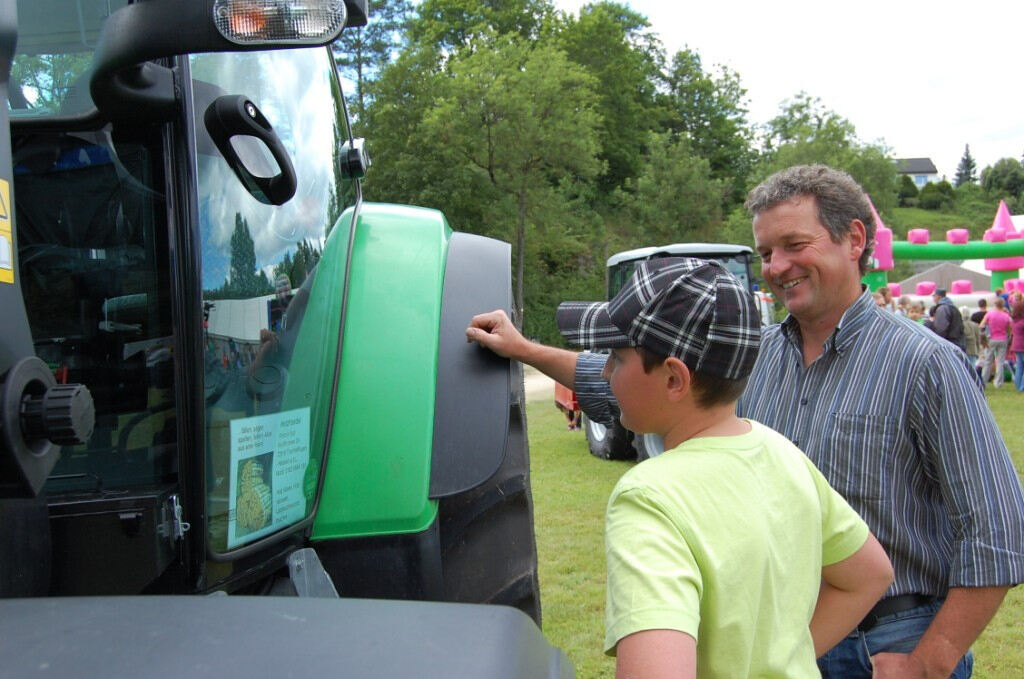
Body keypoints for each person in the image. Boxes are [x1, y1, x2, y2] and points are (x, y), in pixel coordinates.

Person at [551, 165, 1024, 677]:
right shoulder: (756, 356)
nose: (777, 266)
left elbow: (997, 527)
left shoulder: (925, 363)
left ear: (854, 239)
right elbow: (643, 380)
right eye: (766, 253)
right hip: (785, 634)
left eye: (794, 244)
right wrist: (524, 351)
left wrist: (930, 661)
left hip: (887, 643)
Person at [466, 257, 894, 678]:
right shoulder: (784, 455)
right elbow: (869, 575)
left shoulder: (651, 498)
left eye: (616, 356)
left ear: (674, 379)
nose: (607, 371)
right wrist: (785, 659)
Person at [980, 296, 1012, 388]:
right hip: (1003, 339)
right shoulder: (1006, 316)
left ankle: (984, 381)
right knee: (1000, 361)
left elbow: (982, 325)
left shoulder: (989, 314)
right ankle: (998, 383)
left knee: (988, 361)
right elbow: (1009, 329)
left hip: (991, 339)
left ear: (995, 305)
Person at [1010, 292, 1024, 391]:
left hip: (1016, 345)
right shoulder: (1022, 322)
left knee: (1019, 366)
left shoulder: (1014, 321)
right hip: (1022, 345)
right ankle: (1022, 387)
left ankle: (1018, 385)